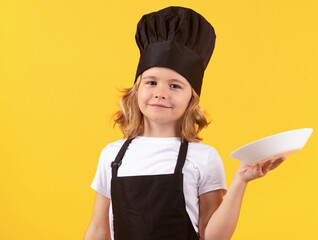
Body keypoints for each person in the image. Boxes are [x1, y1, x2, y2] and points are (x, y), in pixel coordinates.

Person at [83, 6, 285, 240]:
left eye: (175, 85)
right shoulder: (112, 156)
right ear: (136, 89)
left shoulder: (204, 158)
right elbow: (98, 230)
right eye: (151, 82)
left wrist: (240, 180)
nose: (160, 92)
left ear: (192, 98)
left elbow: (213, 236)